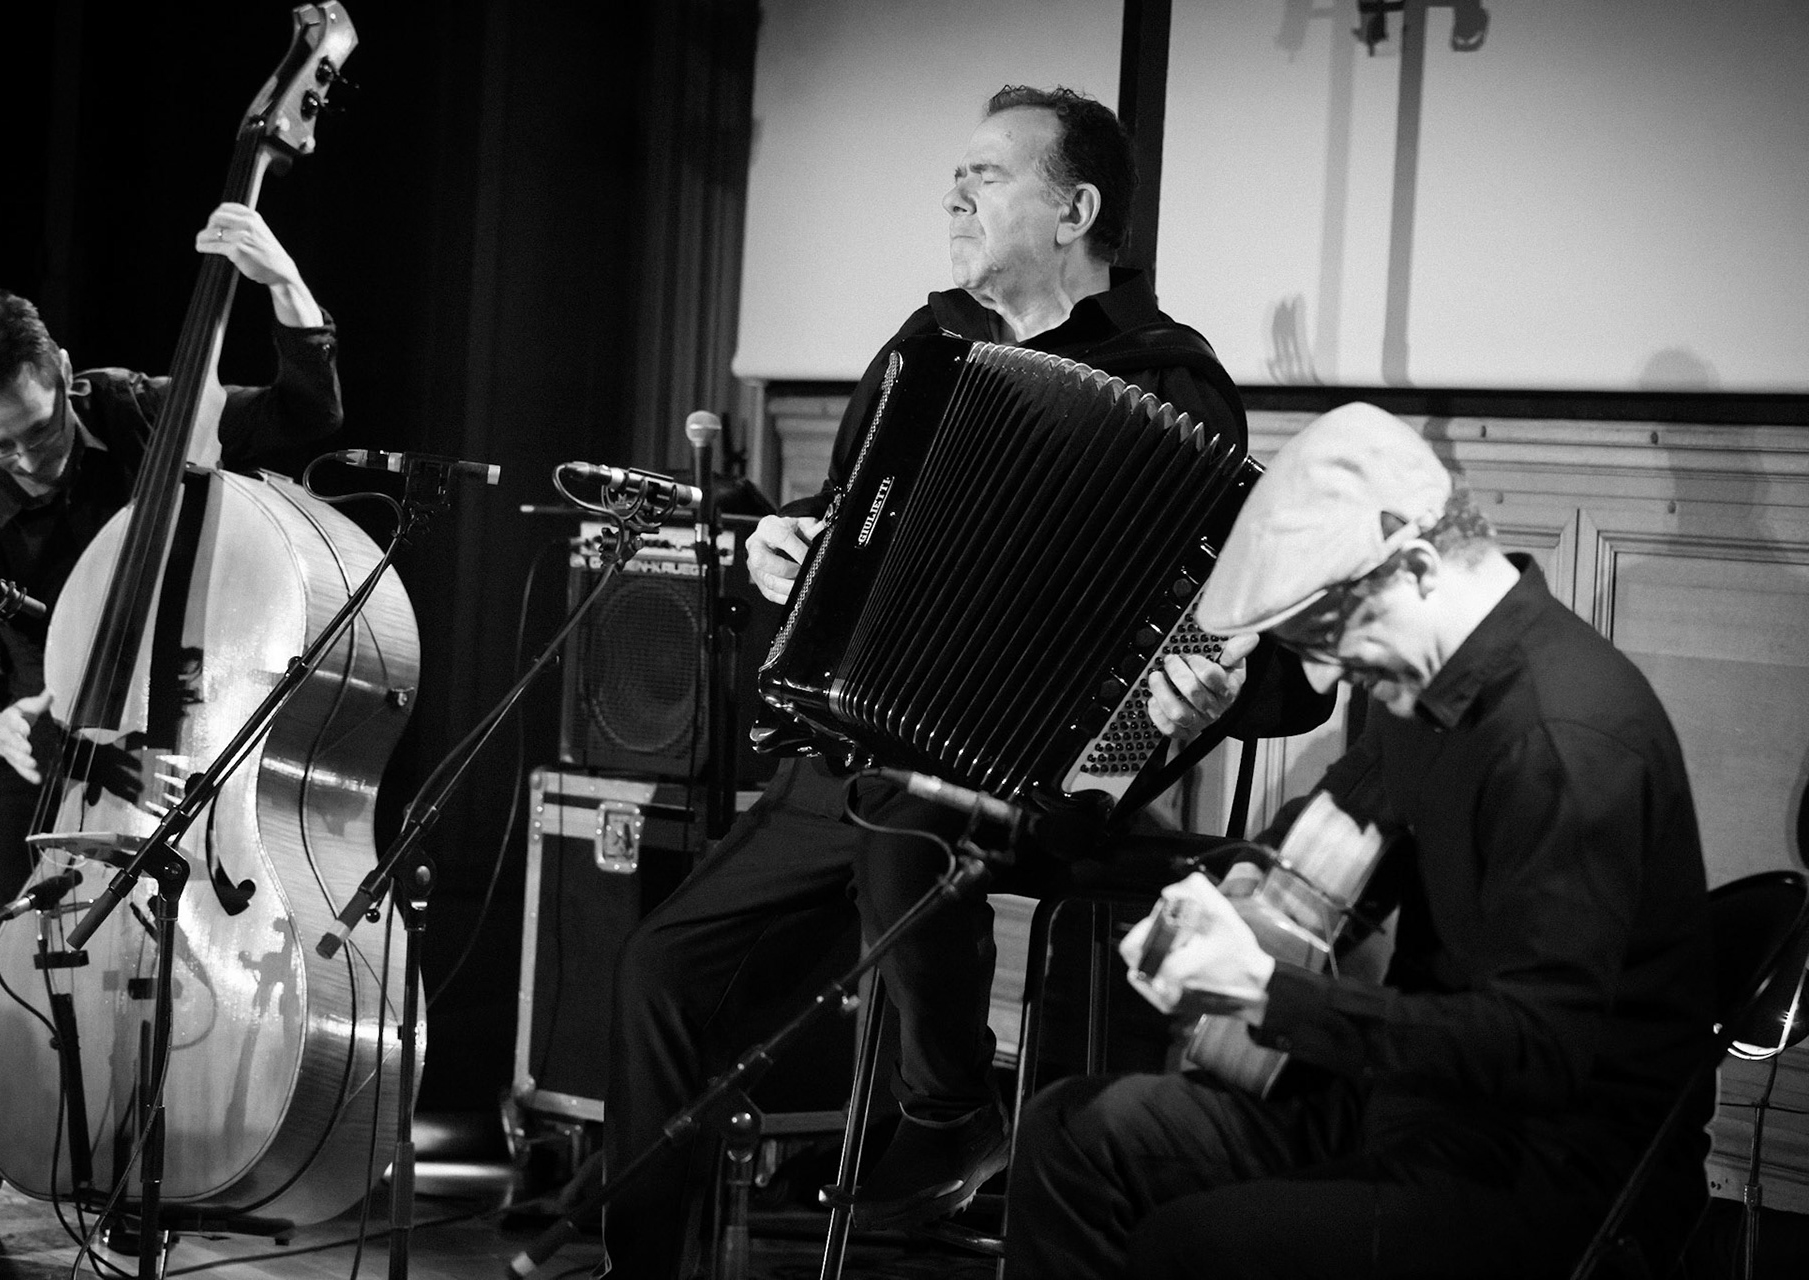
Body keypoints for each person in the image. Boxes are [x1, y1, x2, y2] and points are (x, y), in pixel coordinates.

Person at [601, 86, 1332, 1278]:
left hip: (1039, 789)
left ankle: (950, 1111)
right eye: (958, 173)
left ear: (1075, 210)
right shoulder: (930, 346)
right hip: (859, 751)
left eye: (987, 175)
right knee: (659, 970)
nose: (954, 192)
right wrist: (782, 544)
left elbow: (1205, 631)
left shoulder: (1168, 380)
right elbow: (849, 528)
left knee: (906, 812)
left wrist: (1112, 745)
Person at [1002, 402, 1717, 1279]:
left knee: (1193, 1247)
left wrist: (1269, 992)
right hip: (1412, 1105)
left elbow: (1540, 1052)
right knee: (1075, 1135)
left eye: (1328, 636)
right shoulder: (1421, 692)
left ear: (1416, 565)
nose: (1321, 675)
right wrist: (1213, 912)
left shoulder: (1559, 741)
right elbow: (1309, 861)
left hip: (1549, 1169)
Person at [0, 203, 344, 1244]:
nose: (28, 460)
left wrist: (286, 288)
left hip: (185, 727)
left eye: (40, 428)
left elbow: (300, 417)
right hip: (52, 749)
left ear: (63, 370)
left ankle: (167, 1151)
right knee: (6, 944)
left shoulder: (151, 411)